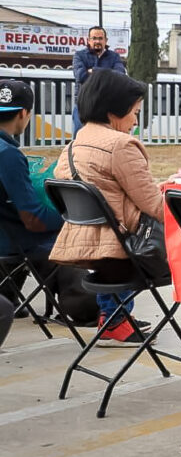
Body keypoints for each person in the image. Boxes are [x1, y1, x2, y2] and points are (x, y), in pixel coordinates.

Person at [49, 70, 162, 347]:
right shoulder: (121, 145)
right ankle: (115, 322)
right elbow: (155, 206)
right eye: (135, 112)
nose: (136, 120)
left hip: (86, 250)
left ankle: (112, 317)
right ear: (114, 112)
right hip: (126, 254)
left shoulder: (73, 146)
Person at [0, 80, 64, 313]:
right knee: (70, 237)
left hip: (5, 233)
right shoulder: (8, 155)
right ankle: (82, 308)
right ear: (24, 113)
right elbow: (32, 219)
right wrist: (66, 218)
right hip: (10, 243)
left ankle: (9, 296)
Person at [71, 26, 126, 137]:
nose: (97, 41)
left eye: (100, 38)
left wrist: (93, 71)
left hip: (107, 106)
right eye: (94, 38)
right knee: (79, 137)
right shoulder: (79, 56)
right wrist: (108, 74)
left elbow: (120, 75)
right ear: (89, 40)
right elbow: (81, 76)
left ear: (106, 40)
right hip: (83, 105)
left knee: (108, 139)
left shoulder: (114, 57)